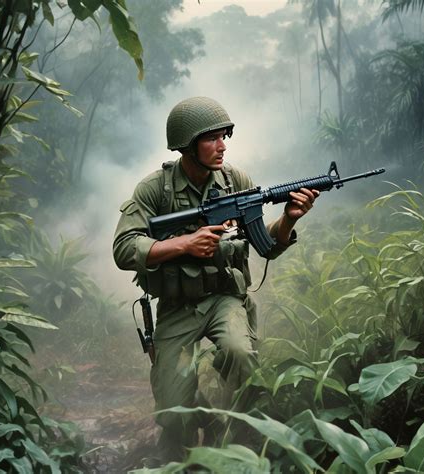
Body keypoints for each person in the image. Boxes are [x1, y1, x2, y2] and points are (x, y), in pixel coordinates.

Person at [113, 96, 319, 463]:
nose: (222, 145)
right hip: (177, 306)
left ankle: (247, 441)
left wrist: (289, 218)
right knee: (172, 408)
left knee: (241, 355)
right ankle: (195, 428)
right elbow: (124, 248)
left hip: (226, 297)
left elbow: (266, 245)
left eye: (225, 136)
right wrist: (184, 244)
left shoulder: (236, 181)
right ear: (187, 145)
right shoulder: (155, 189)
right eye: (212, 138)